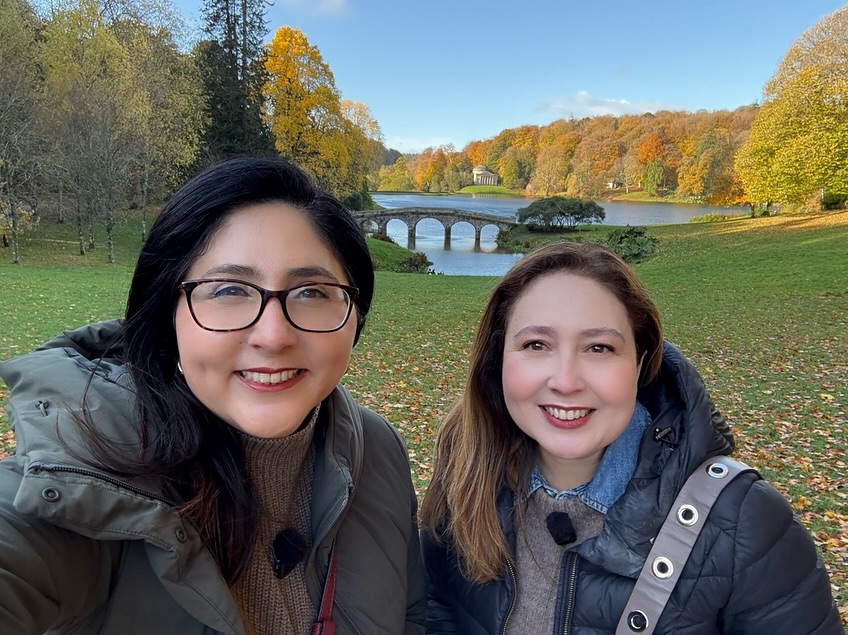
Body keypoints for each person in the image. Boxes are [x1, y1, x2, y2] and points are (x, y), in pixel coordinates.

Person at [0, 157, 427, 634]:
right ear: (168, 315)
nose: (272, 335)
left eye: (311, 292)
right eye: (228, 289)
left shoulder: (379, 449)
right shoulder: (80, 474)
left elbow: (410, 616)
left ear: (355, 319)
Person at [419, 241, 841, 634]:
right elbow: (435, 609)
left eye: (599, 348)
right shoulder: (465, 479)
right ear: (499, 360)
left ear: (639, 364)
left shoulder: (745, 522)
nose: (565, 381)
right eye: (536, 345)